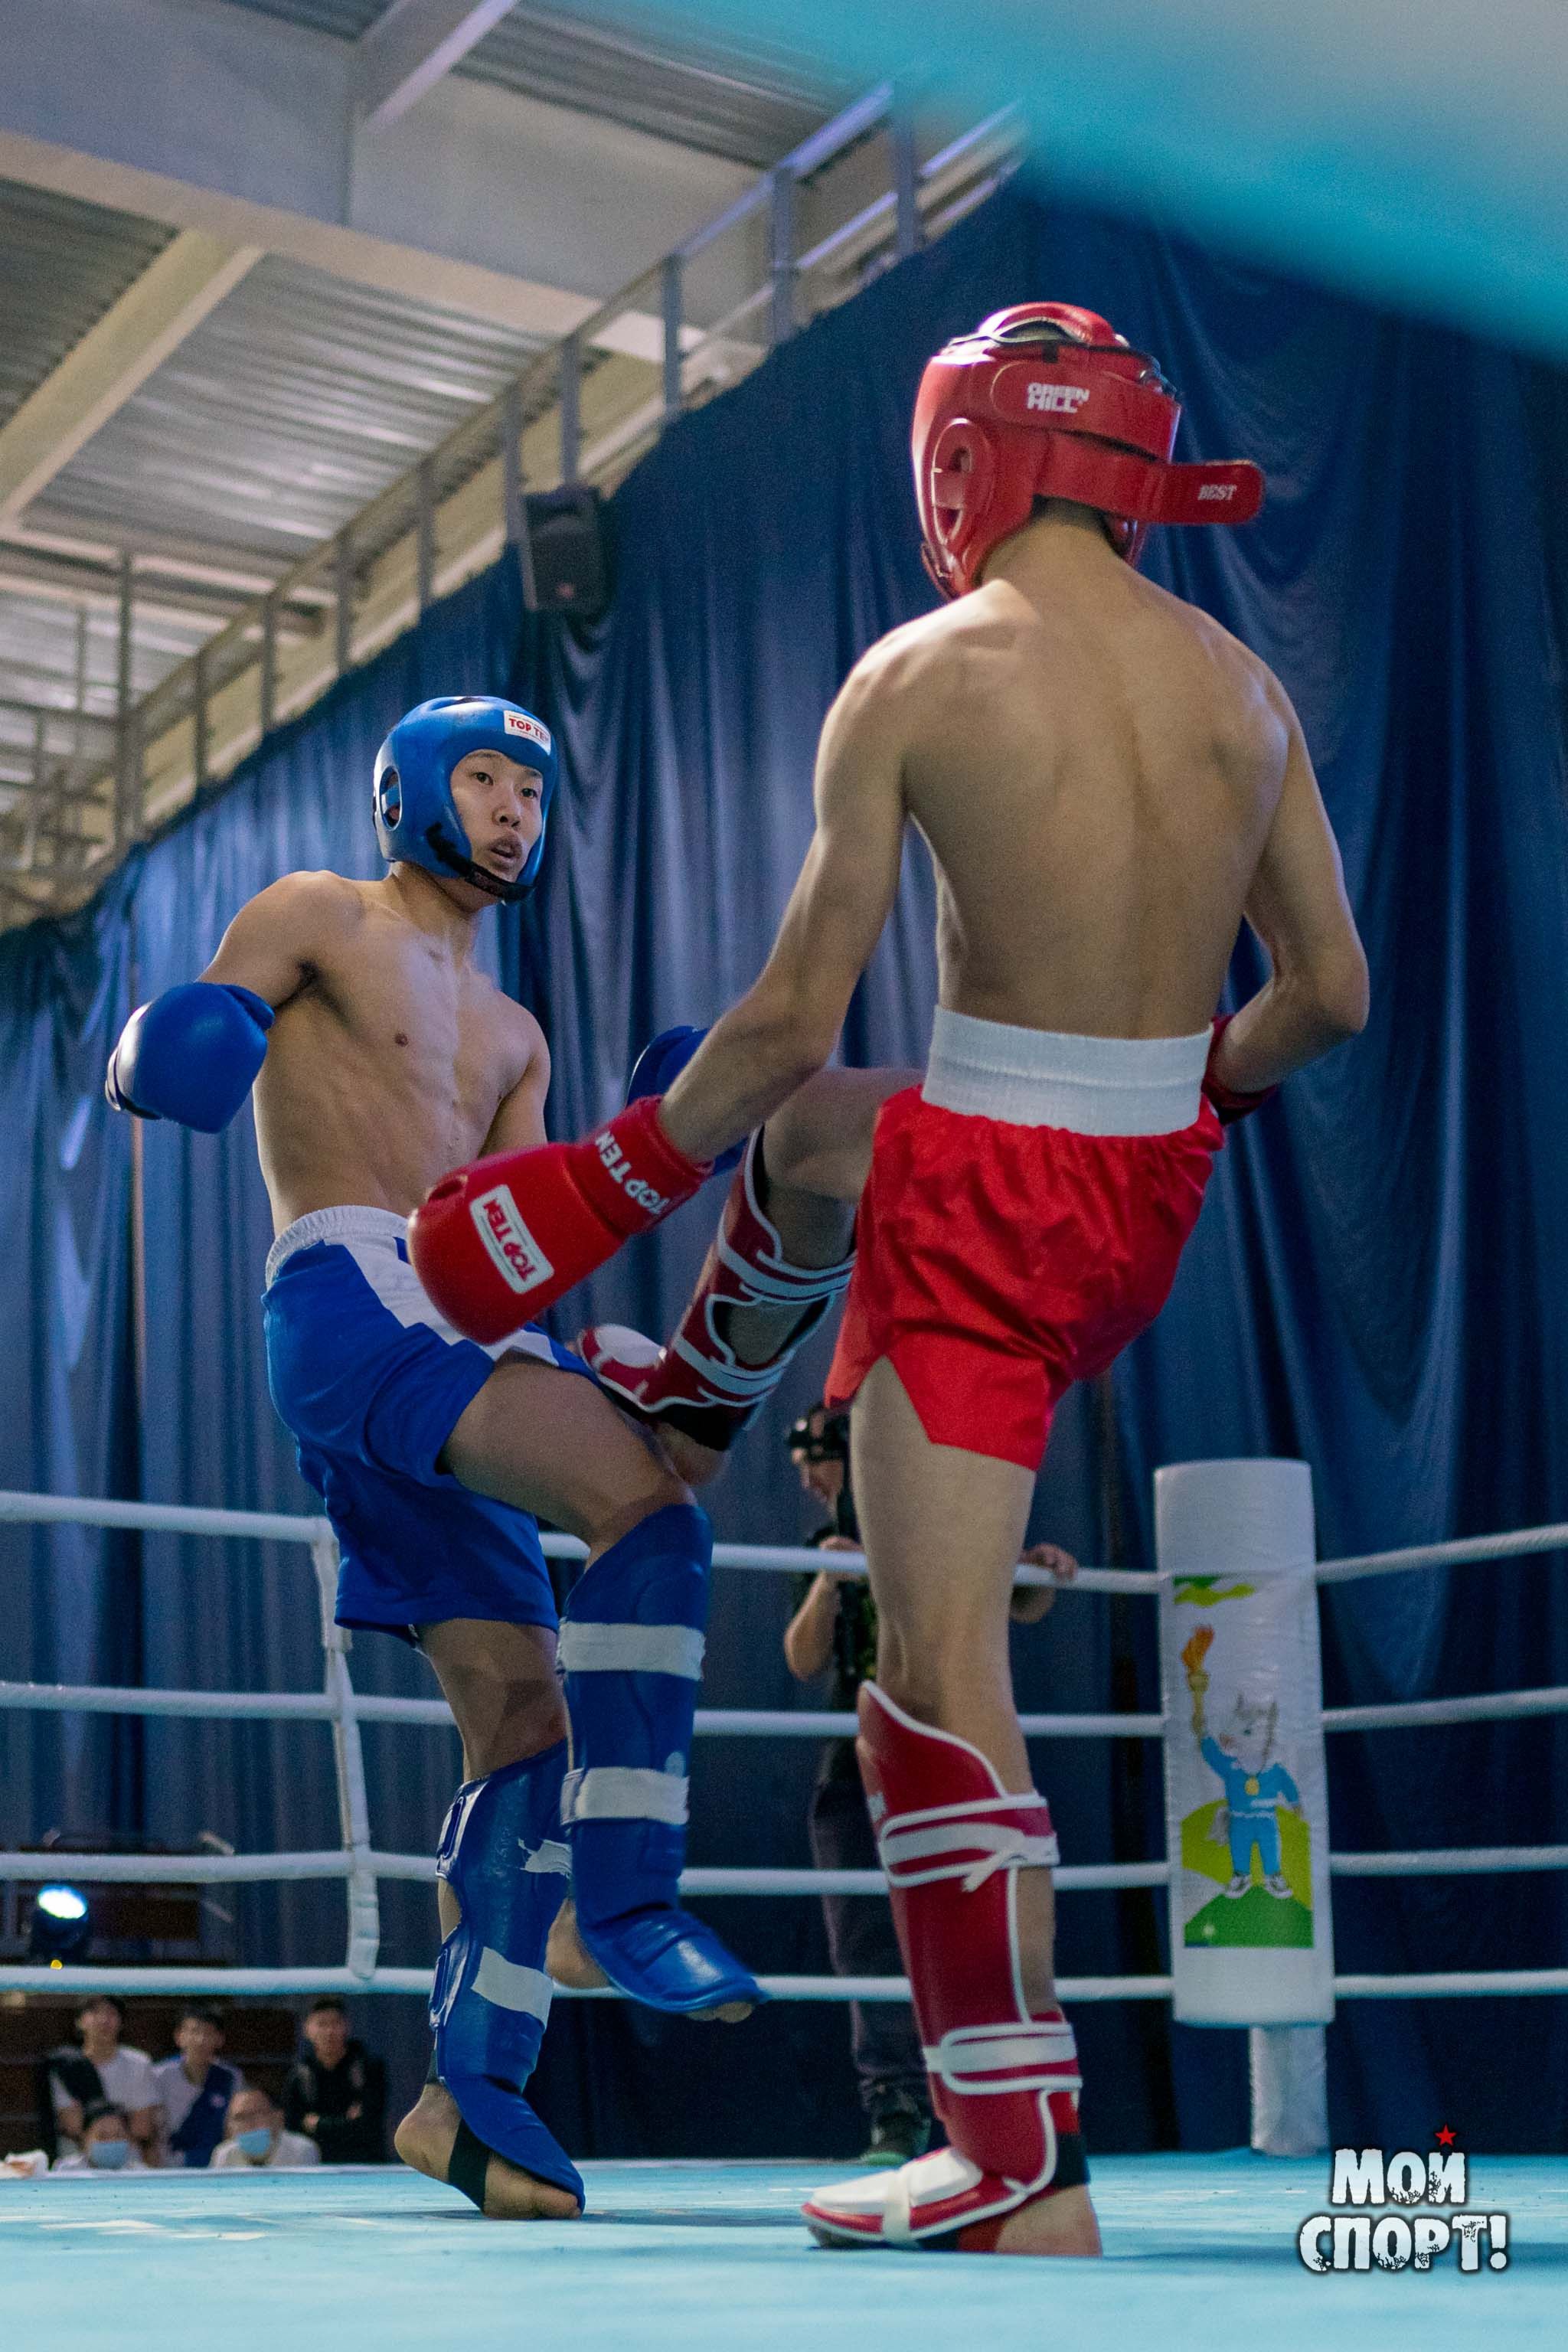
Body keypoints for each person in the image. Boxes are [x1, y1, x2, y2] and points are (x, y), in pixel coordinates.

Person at [410, 302, 1369, 2256]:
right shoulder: (1239, 687)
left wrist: (580, 1194)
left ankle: (1012, 2154)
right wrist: (1164, 1093)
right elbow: (1327, 999)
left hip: (988, 1215)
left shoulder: (918, 675)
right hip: (1142, 1183)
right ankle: (688, 1401)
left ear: (962, 466)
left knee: (928, 1678)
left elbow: (773, 1017)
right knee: (833, 1137)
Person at [104, 694, 764, 2225]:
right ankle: (622, 1897)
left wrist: (592, 1334)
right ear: (407, 790)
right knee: (647, 1512)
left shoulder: (516, 1029)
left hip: (459, 1318)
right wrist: (173, 1053)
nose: (515, 810)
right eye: (484, 778)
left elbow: (515, 1241)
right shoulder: (316, 914)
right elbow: (203, 1037)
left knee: (523, 1717)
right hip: (341, 1292)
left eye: (533, 789)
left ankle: (467, 2097)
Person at [47, 1994, 158, 2164]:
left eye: (111, 2013)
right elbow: (73, 2125)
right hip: (77, 2163)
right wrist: (120, 2118)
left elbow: (141, 2127)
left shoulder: (139, 2063)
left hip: (127, 2161)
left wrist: (94, 2121)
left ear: (121, 2022)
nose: (104, 2020)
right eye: (95, 2012)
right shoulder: (64, 2065)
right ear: (80, 2021)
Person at [280, 1999, 386, 2165]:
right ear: (307, 2029)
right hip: (316, 2166)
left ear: (347, 2027)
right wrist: (346, 2123)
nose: (329, 2031)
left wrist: (318, 2124)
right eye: (321, 2024)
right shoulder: (299, 2076)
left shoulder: (370, 2069)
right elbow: (294, 2132)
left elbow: (368, 2125)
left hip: (364, 2164)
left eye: (336, 2023)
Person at [153, 2007, 242, 2168]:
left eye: (208, 2033)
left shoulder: (231, 2077)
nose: (201, 2040)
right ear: (179, 2037)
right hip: (170, 2165)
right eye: (194, 2032)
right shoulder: (160, 2075)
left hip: (215, 2165)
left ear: (219, 2039)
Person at [211, 2085, 322, 2171]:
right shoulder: (224, 2155)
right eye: (240, 2117)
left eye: (257, 2114)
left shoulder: (302, 2151)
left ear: (279, 2118)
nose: (249, 2123)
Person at [51, 2100, 150, 2174]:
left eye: (119, 2135)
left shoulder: (140, 2173)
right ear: (85, 2138)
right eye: (103, 2136)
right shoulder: (67, 2171)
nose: (112, 2141)